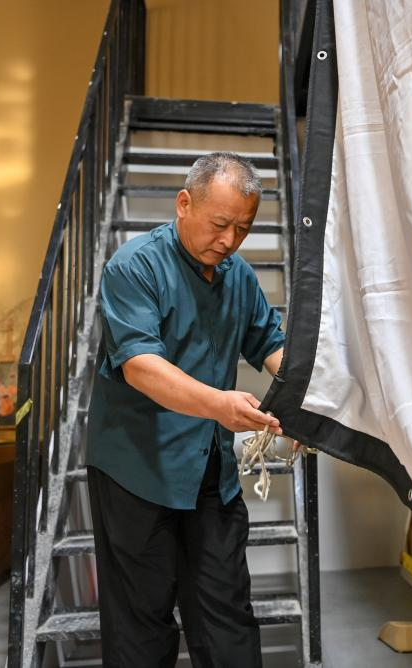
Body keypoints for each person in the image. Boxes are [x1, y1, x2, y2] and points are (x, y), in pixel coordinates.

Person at [85, 152, 285, 667]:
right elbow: (141, 367)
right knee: (141, 630)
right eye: (220, 224)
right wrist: (219, 404)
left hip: (209, 473)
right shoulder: (134, 266)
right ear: (183, 203)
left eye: (243, 229)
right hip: (137, 471)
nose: (229, 240)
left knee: (228, 620)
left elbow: (270, 344)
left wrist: (307, 398)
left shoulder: (238, 276)